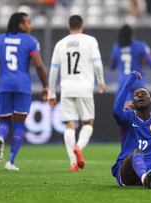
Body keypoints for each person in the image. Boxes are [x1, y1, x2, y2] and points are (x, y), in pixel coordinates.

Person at [0, 12, 48, 171]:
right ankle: (10, 161)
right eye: (28, 22)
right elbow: (39, 65)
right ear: (20, 25)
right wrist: (46, 85)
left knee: (4, 121)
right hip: (22, 86)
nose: (30, 25)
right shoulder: (30, 41)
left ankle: (0, 137)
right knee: (19, 124)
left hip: (4, 85)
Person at [48, 15, 106, 171]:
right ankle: (79, 147)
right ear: (82, 26)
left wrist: (51, 93)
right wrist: (101, 82)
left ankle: (73, 163)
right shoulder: (90, 41)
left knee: (69, 125)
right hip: (84, 88)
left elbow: (53, 70)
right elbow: (98, 65)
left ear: (69, 26)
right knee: (88, 122)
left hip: (66, 88)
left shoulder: (60, 44)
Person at [110, 24, 151, 105]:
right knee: (141, 112)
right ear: (132, 35)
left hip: (124, 83)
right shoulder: (140, 46)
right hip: (138, 81)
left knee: (125, 113)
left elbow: (112, 66)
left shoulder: (116, 47)